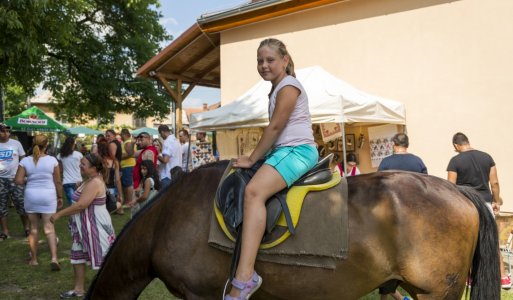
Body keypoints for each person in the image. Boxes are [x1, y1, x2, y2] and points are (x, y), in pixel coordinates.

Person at [225, 38, 318, 299]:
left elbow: (275, 128)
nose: (264, 65)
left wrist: (252, 158)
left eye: (270, 60)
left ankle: (245, 278)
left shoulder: (289, 86)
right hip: (285, 151)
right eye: (259, 61)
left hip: (297, 151)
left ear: (285, 61)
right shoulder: (278, 87)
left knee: (253, 192)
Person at [447, 132, 511, 289]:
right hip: (486, 203)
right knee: (492, 240)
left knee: (469, 242)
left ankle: (469, 279)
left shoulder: (455, 161)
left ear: (456, 145)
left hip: (465, 205)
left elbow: (450, 187)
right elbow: (494, 182)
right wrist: (496, 201)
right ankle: (503, 278)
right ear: (467, 142)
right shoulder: (487, 157)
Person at [50, 153, 115, 298]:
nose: (80, 166)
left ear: (93, 167)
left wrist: (59, 214)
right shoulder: (89, 180)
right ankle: (79, 289)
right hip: (83, 226)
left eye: (83, 164)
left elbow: (81, 205)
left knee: (104, 259)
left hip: (96, 226)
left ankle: (112, 289)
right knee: (77, 256)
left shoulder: (95, 183)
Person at [15, 134, 63, 270]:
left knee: (33, 229)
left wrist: (28, 179)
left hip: (31, 195)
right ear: (46, 145)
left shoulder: (25, 161)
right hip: (48, 195)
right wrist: (60, 197)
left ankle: (34, 259)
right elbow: (58, 181)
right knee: (49, 228)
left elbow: (18, 180)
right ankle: (54, 258)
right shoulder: (52, 160)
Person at [0, 123, 29, 241]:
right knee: (1, 206)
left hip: (15, 179)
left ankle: (27, 228)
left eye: (8, 131)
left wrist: (23, 175)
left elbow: (23, 160)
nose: (6, 133)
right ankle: (5, 231)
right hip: (0, 180)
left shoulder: (16, 144)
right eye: (3, 131)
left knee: (21, 204)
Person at [97, 138, 124, 214]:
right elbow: (118, 180)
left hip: (99, 188)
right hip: (111, 190)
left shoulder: (98, 161)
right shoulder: (115, 161)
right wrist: (120, 194)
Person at [57, 136, 83, 206]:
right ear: (73, 144)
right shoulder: (79, 155)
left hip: (67, 181)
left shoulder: (60, 155)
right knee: (78, 202)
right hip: (78, 181)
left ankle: (73, 216)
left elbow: (60, 169)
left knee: (71, 203)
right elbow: (82, 167)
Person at [157, 125, 182, 189]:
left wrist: (157, 156)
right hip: (177, 175)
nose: (161, 136)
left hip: (167, 176)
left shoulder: (167, 142)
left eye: (160, 134)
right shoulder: (176, 141)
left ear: (162, 132)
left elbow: (165, 160)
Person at [119, 129, 135, 210]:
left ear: (125, 134)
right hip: (127, 166)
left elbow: (130, 154)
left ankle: (129, 202)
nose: (120, 136)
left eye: (121, 135)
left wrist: (119, 156)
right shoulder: (127, 142)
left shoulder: (128, 142)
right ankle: (127, 201)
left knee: (128, 184)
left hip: (128, 166)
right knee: (126, 184)